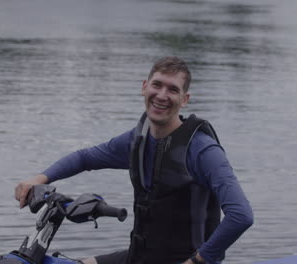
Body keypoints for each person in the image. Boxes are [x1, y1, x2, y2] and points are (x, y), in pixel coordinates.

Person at [15, 56, 253, 264]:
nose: (162, 95)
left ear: (185, 99)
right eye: (157, 85)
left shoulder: (202, 150)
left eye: (172, 89)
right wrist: (39, 178)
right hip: (141, 257)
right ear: (144, 87)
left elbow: (241, 215)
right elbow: (85, 158)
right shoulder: (137, 141)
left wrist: (199, 260)